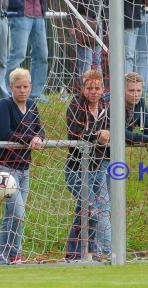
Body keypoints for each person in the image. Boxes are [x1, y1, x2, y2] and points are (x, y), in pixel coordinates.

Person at [0, 68, 45, 264]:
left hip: (25, 169)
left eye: (25, 86)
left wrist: (39, 137)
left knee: (11, 216)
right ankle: (16, 253)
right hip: (5, 168)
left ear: (31, 87)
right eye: (18, 87)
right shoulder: (4, 105)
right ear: (10, 88)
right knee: (18, 213)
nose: (22, 90)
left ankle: (3, 257)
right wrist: (30, 138)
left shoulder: (32, 105)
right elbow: (5, 133)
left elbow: (40, 129)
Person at [64, 70, 110, 261]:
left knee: (90, 210)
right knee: (91, 209)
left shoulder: (107, 107)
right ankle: (91, 252)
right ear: (82, 89)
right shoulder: (75, 106)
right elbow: (76, 134)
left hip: (98, 168)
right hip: (76, 170)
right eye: (89, 88)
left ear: (103, 88)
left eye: (97, 88)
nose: (93, 92)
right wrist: (98, 136)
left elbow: (117, 130)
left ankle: (77, 254)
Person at [5, 0, 49, 103]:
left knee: (42, 55)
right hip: (21, 14)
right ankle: (8, 93)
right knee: (18, 55)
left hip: (39, 14)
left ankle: (36, 94)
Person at [125, 0, 148, 99]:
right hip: (129, 9)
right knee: (127, 55)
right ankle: (127, 89)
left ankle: (144, 91)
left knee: (146, 54)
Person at [123, 72, 148, 152]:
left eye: (138, 90)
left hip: (113, 151)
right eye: (131, 90)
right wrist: (146, 139)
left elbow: (146, 128)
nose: (136, 94)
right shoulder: (111, 102)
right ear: (122, 90)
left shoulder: (140, 103)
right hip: (96, 150)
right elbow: (119, 133)